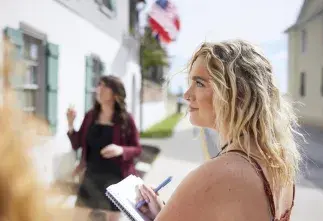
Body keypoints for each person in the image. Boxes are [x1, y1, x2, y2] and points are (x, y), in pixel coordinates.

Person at [137, 40, 301, 221]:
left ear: (236, 93)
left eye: (199, 83)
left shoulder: (216, 174)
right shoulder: (280, 164)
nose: (186, 95)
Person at [66, 75, 142, 219]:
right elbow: (77, 144)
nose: (99, 89)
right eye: (99, 85)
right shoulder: (90, 116)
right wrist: (70, 124)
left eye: (104, 86)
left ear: (115, 94)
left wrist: (120, 150)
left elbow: (137, 149)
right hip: (91, 178)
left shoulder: (126, 119)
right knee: (77, 217)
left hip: (116, 180)